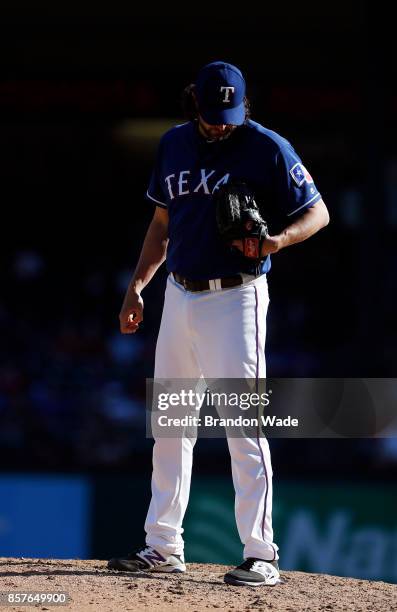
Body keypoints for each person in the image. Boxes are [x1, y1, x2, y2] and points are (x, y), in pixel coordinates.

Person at [108, 61, 329, 586]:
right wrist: (138, 285)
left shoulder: (268, 147)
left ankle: (262, 554)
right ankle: (163, 547)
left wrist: (276, 241)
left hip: (238, 298)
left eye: (229, 115)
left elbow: (317, 213)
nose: (221, 125)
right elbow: (162, 223)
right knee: (170, 426)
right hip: (179, 294)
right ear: (195, 107)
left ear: (243, 106)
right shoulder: (175, 144)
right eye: (212, 116)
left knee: (243, 427)